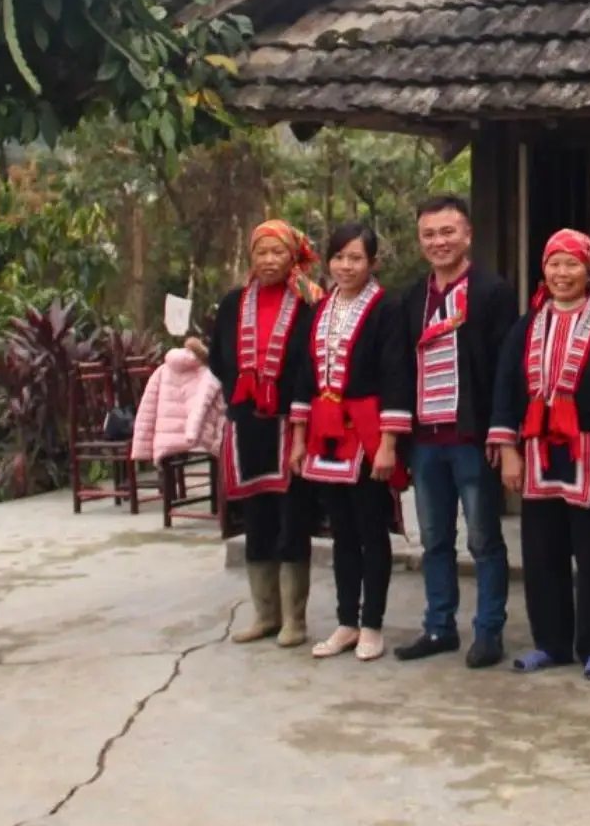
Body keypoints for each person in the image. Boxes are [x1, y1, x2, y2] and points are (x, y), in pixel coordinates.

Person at [489, 229, 590, 681]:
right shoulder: (528, 324)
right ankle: (551, 643)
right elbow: (505, 388)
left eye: (572, 264)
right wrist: (508, 451)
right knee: (542, 554)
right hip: (539, 453)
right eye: (554, 264)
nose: (562, 273)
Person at [396, 194, 519, 668]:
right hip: (426, 439)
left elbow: (506, 369)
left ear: (467, 235)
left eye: (448, 232)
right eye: (429, 234)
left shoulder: (492, 292)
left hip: (472, 437)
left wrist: (503, 434)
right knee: (434, 539)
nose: (439, 242)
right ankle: (438, 626)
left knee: (483, 539)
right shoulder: (412, 297)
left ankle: (488, 631)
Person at [288, 221, 411, 662]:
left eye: (356, 258)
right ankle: (346, 621)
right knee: (341, 531)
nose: (346, 266)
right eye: (339, 257)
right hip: (326, 432)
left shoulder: (387, 308)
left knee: (371, 529)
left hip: (368, 430)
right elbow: (305, 375)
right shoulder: (320, 309)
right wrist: (298, 439)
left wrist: (389, 443)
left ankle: (372, 623)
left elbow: (397, 375)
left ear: (372, 262)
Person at [208, 221, 321, 647]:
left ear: (293, 257)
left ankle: (295, 620)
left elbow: (313, 362)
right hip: (248, 425)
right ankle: (265, 614)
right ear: (251, 257)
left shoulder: (309, 303)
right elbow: (219, 359)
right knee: (256, 520)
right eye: (262, 252)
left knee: (292, 519)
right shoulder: (232, 304)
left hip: (292, 424)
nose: (269, 260)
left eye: (278, 253)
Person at [131, 336, 226, 465]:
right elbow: (221, 409)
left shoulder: (161, 371)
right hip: (199, 440)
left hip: (165, 442)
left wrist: (141, 450)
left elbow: (147, 411)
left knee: (169, 468)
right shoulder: (209, 372)